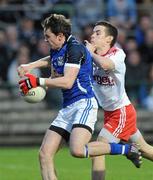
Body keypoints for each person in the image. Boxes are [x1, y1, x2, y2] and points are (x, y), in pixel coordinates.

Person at [17, 14, 141, 180]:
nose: (45, 40)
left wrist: (37, 81)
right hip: (68, 107)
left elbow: (68, 82)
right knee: (45, 154)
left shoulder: (75, 49)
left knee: (77, 150)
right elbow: (52, 59)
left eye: (48, 36)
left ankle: (127, 149)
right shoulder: (58, 47)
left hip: (84, 104)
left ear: (60, 36)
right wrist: (31, 65)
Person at [85, 21, 153, 180]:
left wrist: (90, 54)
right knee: (145, 149)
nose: (92, 35)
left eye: (98, 33)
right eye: (93, 32)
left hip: (122, 112)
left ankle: (128, 150)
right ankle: (131, 150)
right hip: (111, 113)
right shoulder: (89, 54)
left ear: (108, 39)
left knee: (98, 149)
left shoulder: (117, 53)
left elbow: (106, 64)